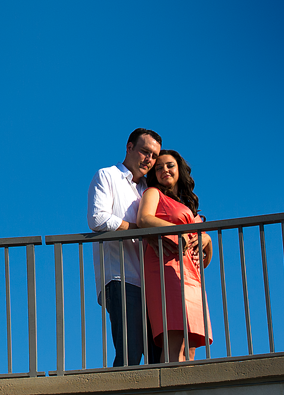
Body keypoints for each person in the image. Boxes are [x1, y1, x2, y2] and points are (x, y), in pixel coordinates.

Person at [87, 128, 163, 366]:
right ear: (129, 147)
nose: (149, 160)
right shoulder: (107, 176)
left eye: (154, 156)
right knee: (130, 354)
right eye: (144, 151)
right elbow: (97, 218)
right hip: (121, 277)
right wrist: (138, 230)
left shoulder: (148, 189)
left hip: (150, 280)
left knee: (158, 355)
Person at [137, 150, 213, 362]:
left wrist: (208, 240)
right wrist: (177, 230)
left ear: (179, 168)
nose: (164, 170)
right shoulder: (153, 193)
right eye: (159, 167)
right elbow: (143, 219)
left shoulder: (187, 204)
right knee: (175, 340)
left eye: (169, 165)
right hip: (166, 268)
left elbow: (205, 254)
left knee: (190, 345)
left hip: (192, 274)